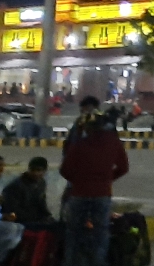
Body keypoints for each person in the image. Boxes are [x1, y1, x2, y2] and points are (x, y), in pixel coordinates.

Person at [61, 109, 130, 266]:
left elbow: (65, 170)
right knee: (100, 234)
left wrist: (78, 181)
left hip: (79, 194)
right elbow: (123, 167)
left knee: (74, 234)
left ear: (88, 128)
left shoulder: (79, 144)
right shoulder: (114, 143)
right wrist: (106, 180)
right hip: (102, 194)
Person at [1, 157, 54, 226]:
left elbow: (41, 203)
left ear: (44, 171)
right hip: (19, 220)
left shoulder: (41, 182)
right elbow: (12, 209)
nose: (35, 173)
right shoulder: (16, 185)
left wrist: (47, 216)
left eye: (38, 170)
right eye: (32, 170)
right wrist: (36, 218)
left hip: (33, 217)